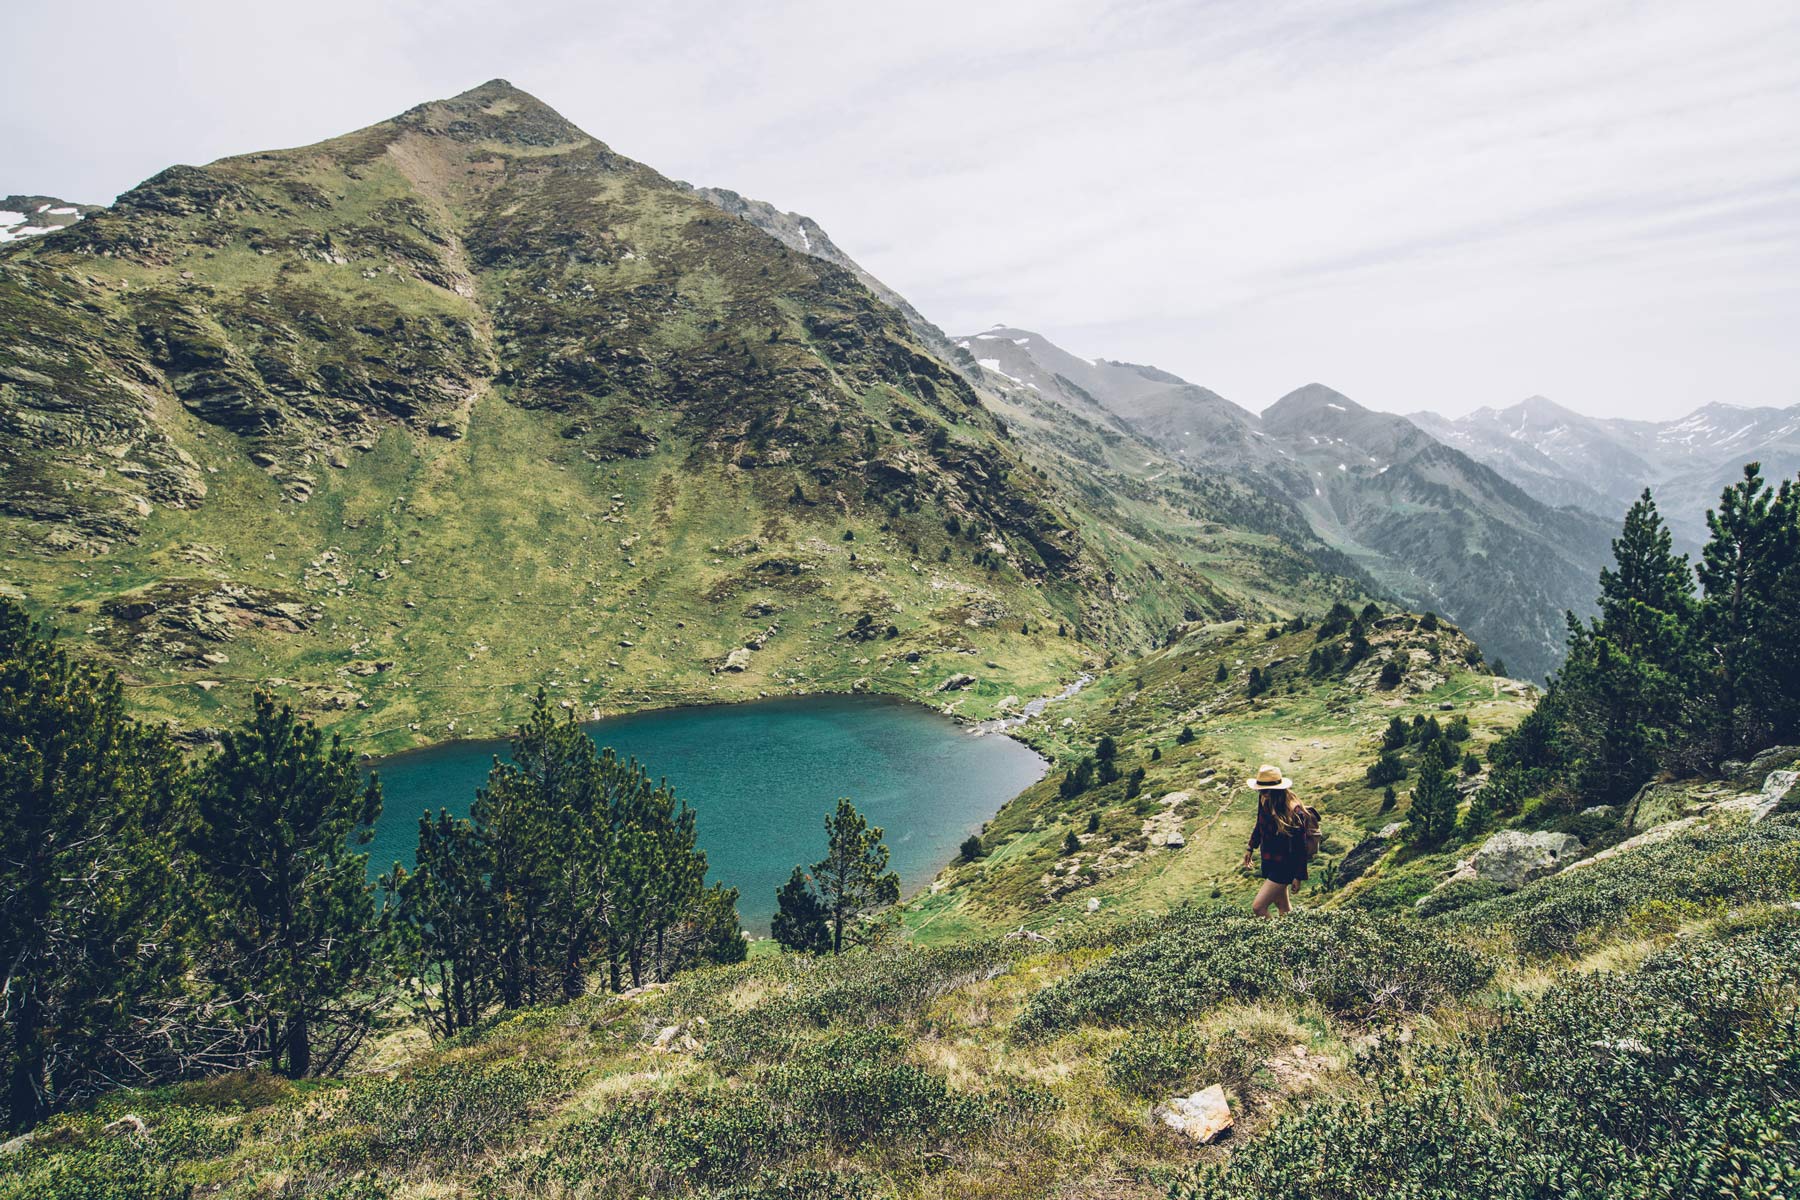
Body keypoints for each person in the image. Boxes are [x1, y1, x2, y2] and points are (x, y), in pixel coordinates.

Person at [1238, 764, 1320, 918]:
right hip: (1269, 860)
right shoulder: (1265, 799)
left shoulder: (1294, 811)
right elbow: (1259, 824)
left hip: (1284, 866)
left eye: (1264, 790)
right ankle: (1292, 936)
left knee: (1258, 907)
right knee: (1282, 905)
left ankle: (1275, 938)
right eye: (1260, 790)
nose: (1261, 793)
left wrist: (1298, 876)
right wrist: (1251, 847)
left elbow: (1299, 847)